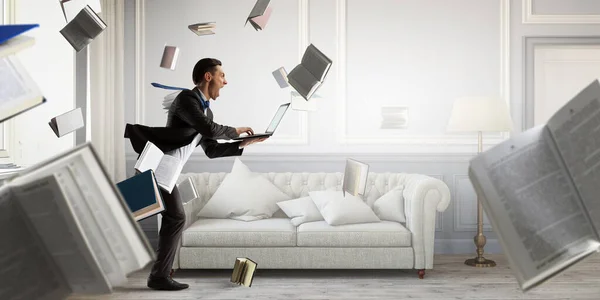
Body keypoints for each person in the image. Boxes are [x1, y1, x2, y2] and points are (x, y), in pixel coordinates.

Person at [124, 58, 267, 291]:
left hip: (169, 171)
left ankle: (158, 275)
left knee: (162, 216)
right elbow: (210, 130)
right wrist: (235, 130)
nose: (226, 81)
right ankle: (158, 275)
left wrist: (244, 144)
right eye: (222, 76)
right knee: (169, 216)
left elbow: (211, 150)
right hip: (159, 165)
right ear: (208, 77)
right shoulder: (186, 100)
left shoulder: (206, 113)